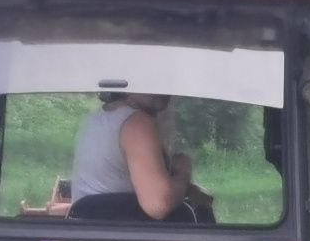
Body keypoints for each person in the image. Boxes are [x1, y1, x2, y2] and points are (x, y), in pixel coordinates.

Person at [69, 93, 212, 221]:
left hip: (88, 230)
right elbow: (158, 204)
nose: (161, 88)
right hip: (125, 236)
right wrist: (183, 172)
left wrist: (185, 189)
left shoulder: (95, 119)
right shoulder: (136, 123)